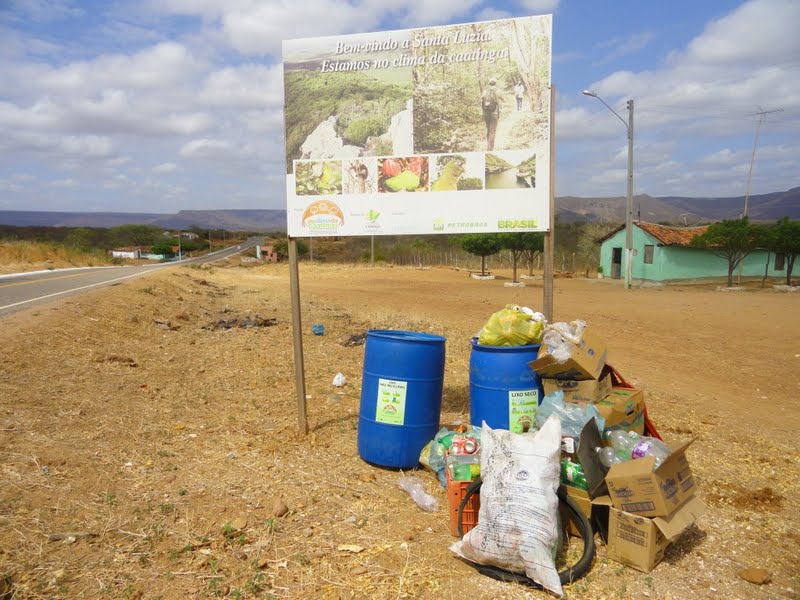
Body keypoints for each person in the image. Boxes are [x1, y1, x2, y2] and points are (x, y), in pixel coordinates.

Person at [481, 78, 500, 151]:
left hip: (486, 113)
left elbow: (481, 99)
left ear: (489, 83)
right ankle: (490, 148)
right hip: (494, 113)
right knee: (492, 130)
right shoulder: (498, 91)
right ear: (495, 83)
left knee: (488, 129)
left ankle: (488, 145)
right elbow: (504, 99)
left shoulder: (485, 91)